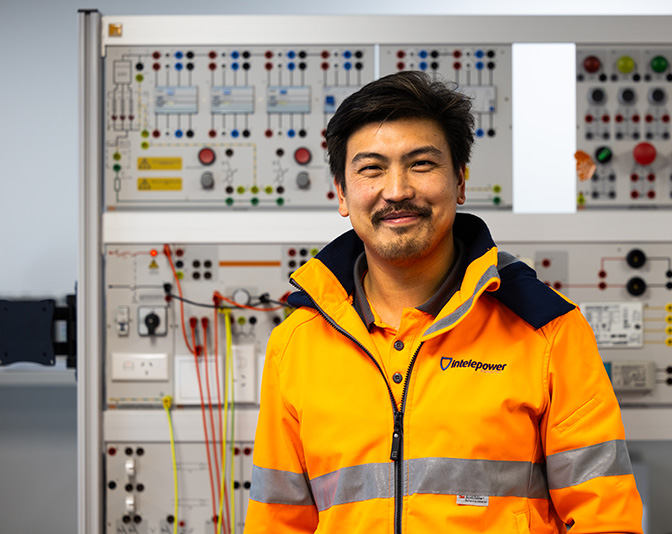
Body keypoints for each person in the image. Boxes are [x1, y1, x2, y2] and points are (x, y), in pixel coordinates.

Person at [244, 71, 643, 534]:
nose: (396, 190)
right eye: (371, 168)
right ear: (342, 192)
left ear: (459, 181)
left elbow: (605, 518)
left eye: (421, 164)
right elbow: (276, 522)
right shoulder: (295, 345)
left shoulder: (549, 331)